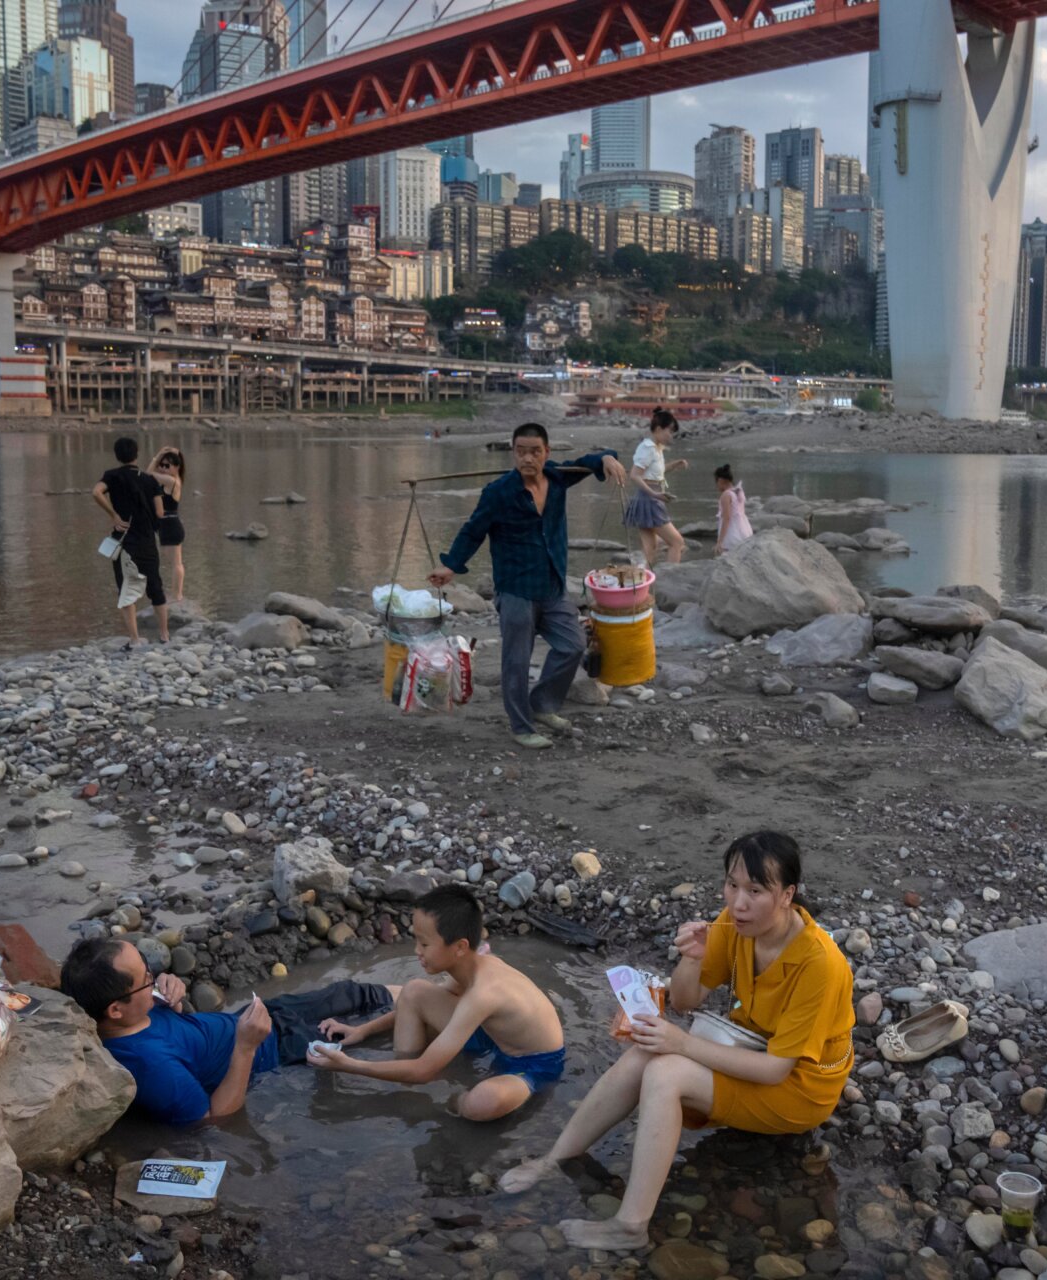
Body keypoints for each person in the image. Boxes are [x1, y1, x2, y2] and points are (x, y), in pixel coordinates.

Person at [499, 831, 855, 1252]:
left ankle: (631, 1225)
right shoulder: (734, 922)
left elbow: (778, 1068)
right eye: (732, 884)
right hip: (750, 1047)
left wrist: (681, 1045)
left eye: (756, 891)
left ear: (787, 895)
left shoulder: (820, 964)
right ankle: (554, 1158)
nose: (739, 902)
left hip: (800, 1087)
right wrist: (694, 956)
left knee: (667, 1070)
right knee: (645, 1052)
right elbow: (685, 1002)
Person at [428, 423, 627, 750]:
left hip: (551, 587)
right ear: (513, 452)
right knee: (516, 660)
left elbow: (590, 461)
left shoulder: (559, 478)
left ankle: (542, 705)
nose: (528, 457)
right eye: (521, 451)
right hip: (516, 588)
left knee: (573, 644)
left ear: (546, 452)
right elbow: (473, 531)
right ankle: (521, 726)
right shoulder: (499, 492)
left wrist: (606, 458)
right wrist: (450, 565)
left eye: (535, 451)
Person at [58, 937, 398, 1127]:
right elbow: (215, 1119)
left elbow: (175, 1030)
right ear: (115, 1010)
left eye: (150, 968)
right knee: (376, 1036)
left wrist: (170, 993)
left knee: (352, 993)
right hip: (280, 1049)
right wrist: (246, 1048)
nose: (154, 977)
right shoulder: (151, 1067)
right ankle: (436, 1020)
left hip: (257, 1018)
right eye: (145, 978)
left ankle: (439, 994)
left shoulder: (132, 1010)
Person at [308, 885, 566, 1121]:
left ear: (460, 947)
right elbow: (422, 1005)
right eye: (416, 941)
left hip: (533, 1064)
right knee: (414, 991)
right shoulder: (470, 966)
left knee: (481, 1103)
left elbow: (423, 1072)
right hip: (493, 1035)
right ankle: (408, 1074)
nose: (416, 951)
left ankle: (452, 1099)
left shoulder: (484, 992)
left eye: (425, 943)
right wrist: (363, 1030)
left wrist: (349, 1065)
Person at [92, 436, 169, 649]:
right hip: (147, 541)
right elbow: (160, 512)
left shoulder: (112, 476)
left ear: (117, 456)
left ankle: (135, 639)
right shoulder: (150, 480)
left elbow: (96, 492)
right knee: (156, 588)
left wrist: (114, 515)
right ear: (137, 454)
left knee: (127, 589)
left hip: (125, 542)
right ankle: (164, 636)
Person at [623, 408, 689, 566]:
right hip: (650, 500)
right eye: (669, 431)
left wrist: (675, 464)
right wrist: (654, 494)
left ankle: (644, 584)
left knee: (650, 549)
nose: (671, 436)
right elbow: (635, 475)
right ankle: (671, 578)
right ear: (659, 429)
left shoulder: (656, 448)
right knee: (677, 542)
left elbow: (655, 473)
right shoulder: (648, 448)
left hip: (649, 499)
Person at [149, 447, 187, 603]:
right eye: (162, 465)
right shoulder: (169, 480)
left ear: (176, 467)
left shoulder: (172, 481)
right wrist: (160, 457)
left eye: (167, 465)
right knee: (171, 561)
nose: (163, 468)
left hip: (172, 526)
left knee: (176, 562)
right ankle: (175, 593)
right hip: (164, 526)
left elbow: (147, 474)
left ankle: (177, 595)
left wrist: (157, 456)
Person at [714, 464, 753, 556]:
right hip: (745, 531)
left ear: (720, 481)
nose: (717, 486)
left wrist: (720, 541)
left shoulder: (726, 495)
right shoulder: (738, 491)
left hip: (732, 534)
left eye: (716, 482)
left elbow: (727, 518)